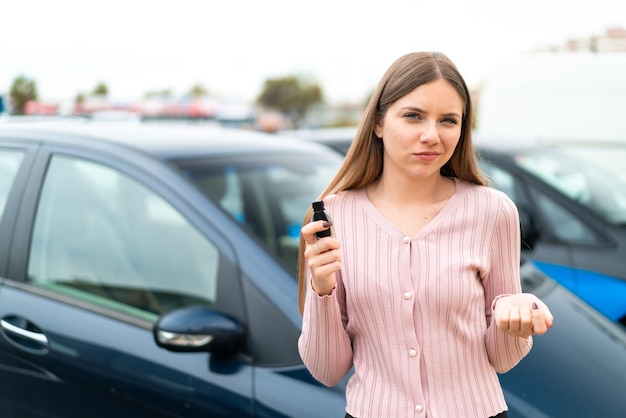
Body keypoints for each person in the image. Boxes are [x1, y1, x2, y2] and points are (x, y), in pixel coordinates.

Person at [297, 52, 554, 418]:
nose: (431, 135)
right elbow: (327, 371)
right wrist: (321, 290)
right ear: (379, 123)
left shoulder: (492, 211)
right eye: (413, 116)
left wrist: (513, 322)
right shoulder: (332, 216)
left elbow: (502, 359)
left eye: (448, 120)